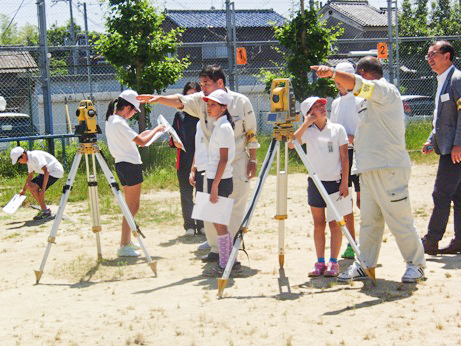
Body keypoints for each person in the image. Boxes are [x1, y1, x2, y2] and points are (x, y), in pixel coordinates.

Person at [311, 56, 426, 283]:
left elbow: (356, 84)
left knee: (399, 219)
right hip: (369, 168)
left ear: (363, 73)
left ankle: (416, 265)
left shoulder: (384, 90)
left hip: (389, 168)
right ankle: (365, 264)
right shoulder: (364, 101)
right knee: (369, 222)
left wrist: (332, 72)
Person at [138, 65, 259, 263]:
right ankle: (215, 248)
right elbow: (180, 100)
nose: (202, 88)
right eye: (201, 84)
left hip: (236, 161)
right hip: (212, 164)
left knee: (234, 207)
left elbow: (251, 132)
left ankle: (231, 251)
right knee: (210, 209)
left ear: (220, 83)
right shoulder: (201, 101)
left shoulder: (241, 102)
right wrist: (157, 98)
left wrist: (252, 159)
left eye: (206, 84)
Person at [290, 97, 349, 277]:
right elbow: (291, 144)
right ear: (308, 113)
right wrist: (306, 124)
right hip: (315, 182)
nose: (322, 108)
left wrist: (345, 182)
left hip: (335, 182)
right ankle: (320, 261)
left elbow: (345, 157)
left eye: (322, 105)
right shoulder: (308, 131)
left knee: (335, 223)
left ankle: (333, 262)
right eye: (316, 107)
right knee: (318, 224)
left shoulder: (337, 129)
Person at [105, 90, 165, 257]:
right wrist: (158, 130)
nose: (133, 114)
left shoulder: (112, 120)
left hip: (122, 165)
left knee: (129, 207)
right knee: (132, 207)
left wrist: (153, 131)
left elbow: (138, 138)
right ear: (128, 107)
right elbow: (143, 141)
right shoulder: (119, 123)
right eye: (134, 111)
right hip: (130, 166)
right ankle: (124, 244)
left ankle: (127, 241)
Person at [421, 40, 461, 255]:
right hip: (447, 147)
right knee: (457, 195)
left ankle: (431, 240)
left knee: (441, 194)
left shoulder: (456, 79)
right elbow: (442, 119)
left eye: (433, 54)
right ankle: (459, 241)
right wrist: (431, 139)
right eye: (428, 55)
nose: (430, 59)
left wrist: (458, 145)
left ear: (447, 56)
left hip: (454, 151)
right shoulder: (442, 80)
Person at [200, 89, 235, 276]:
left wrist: (214, 185)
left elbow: (223, 158)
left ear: (223, 107)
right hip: (217, 177)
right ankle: (228, 259)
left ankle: (225, 262)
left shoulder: (223, 127)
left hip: (220, 179)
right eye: (208, 104)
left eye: (213, 105)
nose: (209, 108)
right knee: (218, 222)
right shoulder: (219, 125)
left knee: (219, 223)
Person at [330, 61, 362, 260]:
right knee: (344, 199)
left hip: (360, 153)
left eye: (342, 79)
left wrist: (352, 138)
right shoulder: (335, 102)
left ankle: (367, 239)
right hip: (342, 156)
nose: (338, 84)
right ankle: (352, 241)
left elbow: (367, 130)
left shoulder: (361, 100)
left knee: (361, 200)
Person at [169, 82, 204, 236]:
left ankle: (202, 224)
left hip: (202, 157)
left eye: (194, 95)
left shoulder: (203, 113)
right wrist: (174, 141)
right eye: (188, 95)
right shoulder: (179, 115)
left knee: (202, 192)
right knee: (186, 192)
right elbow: (172, 134)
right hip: (184, 157)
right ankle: (189, 225)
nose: (190, 98)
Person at [10, 146, 64, 221]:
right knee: (31, 186)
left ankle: (46, 212)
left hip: (54, 172)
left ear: (23, 155)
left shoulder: (35, 156)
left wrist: (43, 190)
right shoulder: (29, 160)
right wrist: (23, 190)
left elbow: (46, 171)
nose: (19, 162)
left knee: (33, 188)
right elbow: (30, 175)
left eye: (19, 160)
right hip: (45, 173)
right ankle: (45, 211)